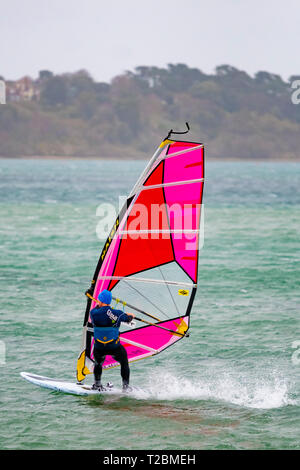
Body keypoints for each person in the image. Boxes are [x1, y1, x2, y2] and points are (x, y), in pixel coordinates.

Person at [88, 289, 135, 392]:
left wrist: (98, 303)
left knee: (98, 363)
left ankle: (97, 384)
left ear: (100, 300)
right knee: (124, 363)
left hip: (99, 347)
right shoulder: (118, 313)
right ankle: (126, 387)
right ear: (109, 301)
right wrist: (131, 316)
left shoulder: (93, 313)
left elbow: (98, 310)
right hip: (114, 347)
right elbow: (128, 319)